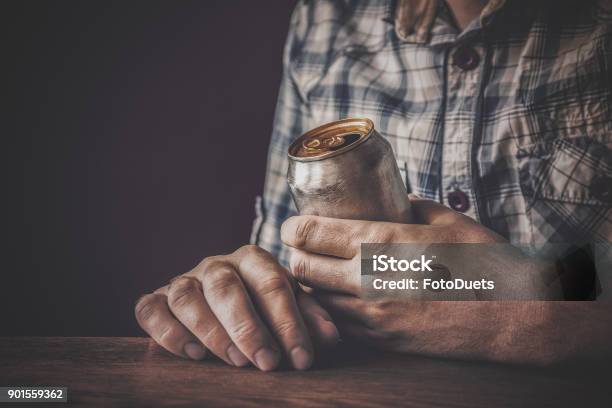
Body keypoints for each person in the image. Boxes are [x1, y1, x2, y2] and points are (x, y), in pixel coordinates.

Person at [135, 0, 612, 371]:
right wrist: (244, 297)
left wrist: (528, 311)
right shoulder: (326, 16)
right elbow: (288, 271)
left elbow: (512, 301)